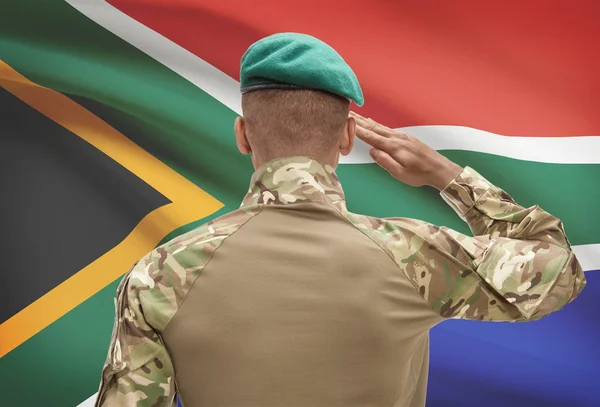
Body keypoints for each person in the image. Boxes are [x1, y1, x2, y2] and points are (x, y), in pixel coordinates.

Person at [94, 33, 587, 407]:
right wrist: (447, 175)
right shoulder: (414, 255)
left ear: (243, 135)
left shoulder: (160, 274)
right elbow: (558, 268)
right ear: (349, 137)